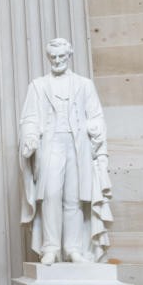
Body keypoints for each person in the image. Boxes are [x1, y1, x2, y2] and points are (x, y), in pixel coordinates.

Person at [20, 37, 113, 265]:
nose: (57, 60)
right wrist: (31, 137)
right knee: (51, 195)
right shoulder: (38, 85)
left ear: (69, 56)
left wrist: (95, 129)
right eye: (53, 57)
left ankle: (73, 249)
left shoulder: (84, 84)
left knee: (74, 198)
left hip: (77, 145)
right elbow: (29, 118)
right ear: (48, 57)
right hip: (50, 145)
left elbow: (96, 115)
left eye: (61, 56)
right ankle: (50, 247)